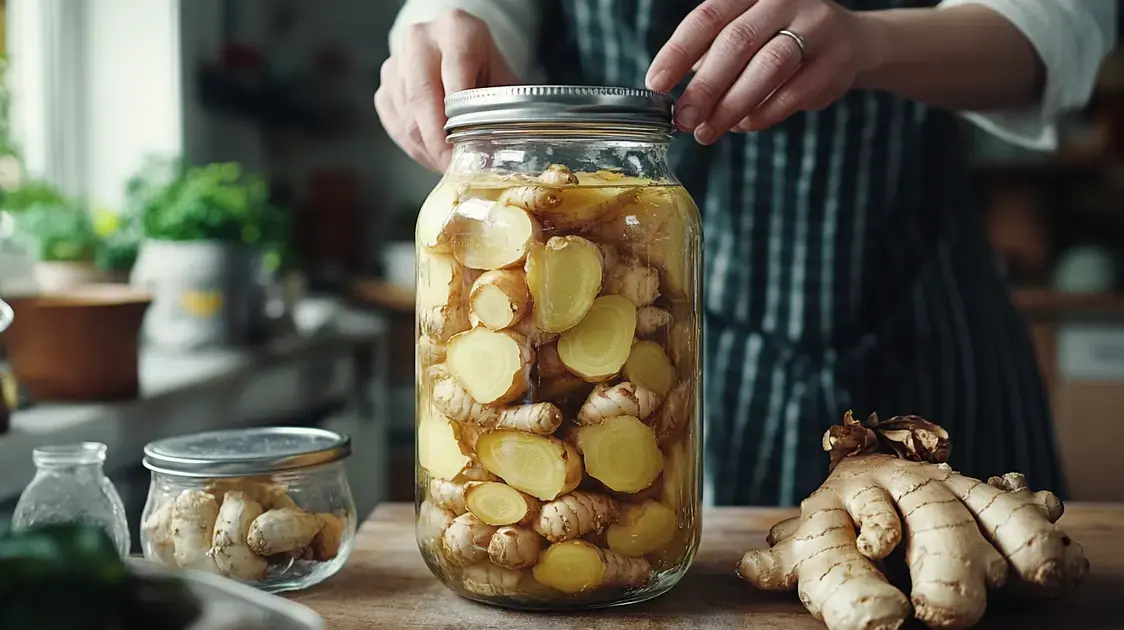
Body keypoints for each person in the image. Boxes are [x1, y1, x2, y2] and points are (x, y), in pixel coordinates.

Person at [376, 0, 1117, 506]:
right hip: (657, 341)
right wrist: (440, 23)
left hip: (920, 307)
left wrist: (869, 40)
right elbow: (470, 13)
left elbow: (1054, 30)